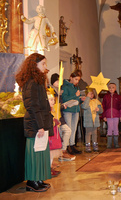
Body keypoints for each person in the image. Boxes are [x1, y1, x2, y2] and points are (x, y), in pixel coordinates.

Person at [15, 53, 52, 192]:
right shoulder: (30, 82)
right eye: (43, 63)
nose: (45, 66)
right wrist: (40, 126)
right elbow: (32, 105)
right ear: (34, 65)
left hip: (40, 123)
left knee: (41, 153)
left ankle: (38, 179)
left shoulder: (37, 81)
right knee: (34, 154)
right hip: (35, 124)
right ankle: (32, 182)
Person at [49, 73, 76, 161]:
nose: (58, 83)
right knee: (58, 135)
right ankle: (59, 155)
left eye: (59, 81)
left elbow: (58, 104)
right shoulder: (51, 92)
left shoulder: (58, 91)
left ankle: (63, 151)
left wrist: (63, 105)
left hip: (59, 116)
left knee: (66, 131)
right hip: (53, 117)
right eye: (57, 81)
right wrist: (61, 106)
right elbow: (52, 105)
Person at [61, 70, 86, 155]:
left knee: (74, 129)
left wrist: (81, 99)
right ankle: (67, 146)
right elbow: (64, 99)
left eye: (78, 80)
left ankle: (72, 145)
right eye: (76, 79)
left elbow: (77, 99)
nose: (77, 81)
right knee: (69, 129)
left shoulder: (77, 87)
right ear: (71, 78)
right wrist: (75, 95)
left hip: (76, 110)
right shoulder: (65, 86)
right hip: (68, 110)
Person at [102, 83, 121, 149]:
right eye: (110, 87)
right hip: (108, 116)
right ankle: (109, 144)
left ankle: (116, 143)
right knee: (109, 129)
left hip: (116, 115)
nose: (111, 89)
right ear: (108, 88)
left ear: (115, 88)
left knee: (116, 129)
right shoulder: (106, 97)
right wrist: (104, 116)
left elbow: (120, 107)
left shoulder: (118, 97)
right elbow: (104, 107)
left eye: (113, 87)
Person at [81, 87, 103, 152]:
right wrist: (87, 98)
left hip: (95, 121)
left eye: (92, 94)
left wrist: (99, 110)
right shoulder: (85, 102)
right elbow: (84, 107)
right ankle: (88, 146)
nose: (91, 95)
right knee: (88, 133)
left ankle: (95, 145)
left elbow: (101, 110)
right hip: (88, 121)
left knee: (94, 133)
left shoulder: (96, 101)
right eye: (89, 94)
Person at [47, 92, 62, 177]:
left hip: (54, 132)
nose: (53, 101)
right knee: (50, 151)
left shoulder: (52, 109)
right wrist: (53, 122)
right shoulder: (46, 110)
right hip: (50, 134)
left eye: (53, 99)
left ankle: (50, 167)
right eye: (51, 100)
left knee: (52, 153)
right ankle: (48, 168)